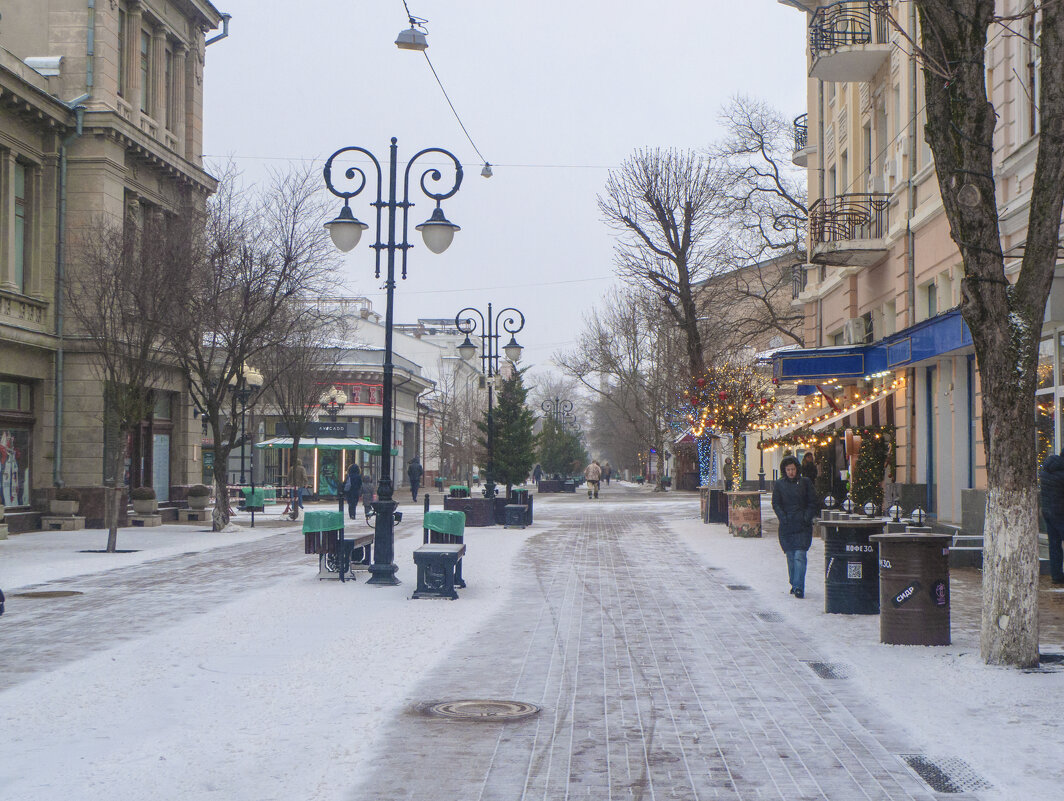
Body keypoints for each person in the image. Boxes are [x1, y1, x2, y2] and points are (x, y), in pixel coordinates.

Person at [772, 455, 818, 598]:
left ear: (797, 469)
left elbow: (812, 502)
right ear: (784, 470)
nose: (791, 472)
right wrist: (783, 517)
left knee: (800, 555)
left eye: (793, 469)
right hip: (787, 526)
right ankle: (794, 582)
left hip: (802, 525)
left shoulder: (805, 483)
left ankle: (799, 587)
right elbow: (776, 503)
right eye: (788, 469)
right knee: (791, 556)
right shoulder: (779, 485)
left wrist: (806, 517)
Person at [1039, 449, 1064, 585]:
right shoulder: (1061, 474)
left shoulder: (1046, 471)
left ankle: (1056, 575)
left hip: (1048, 512)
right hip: (1060, 513)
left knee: (1054, 545)